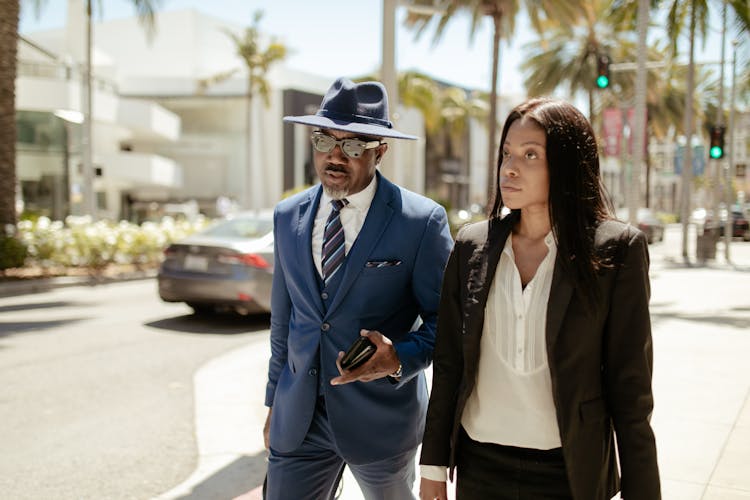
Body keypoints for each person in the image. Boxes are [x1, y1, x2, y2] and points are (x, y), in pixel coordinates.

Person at [419, 98, 660, 500]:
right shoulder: (471, 245)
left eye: (531, 154)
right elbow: (448, 366)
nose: (509, 168)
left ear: (566, 165)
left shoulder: (617, 249)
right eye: (507, 154)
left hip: (568, 472)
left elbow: (631, 392)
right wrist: (433, 468)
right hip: (480, 467)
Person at [264, 77, 454, 500]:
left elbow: (449, 322)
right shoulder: (286, 215)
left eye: (352, 146)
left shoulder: (421, 222)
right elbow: (284, 321)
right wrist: (274, 404)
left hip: (382, 423)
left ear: (379, 150)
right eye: (324, 139)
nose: (334, 155)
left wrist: (398, 357)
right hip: (300, 423)